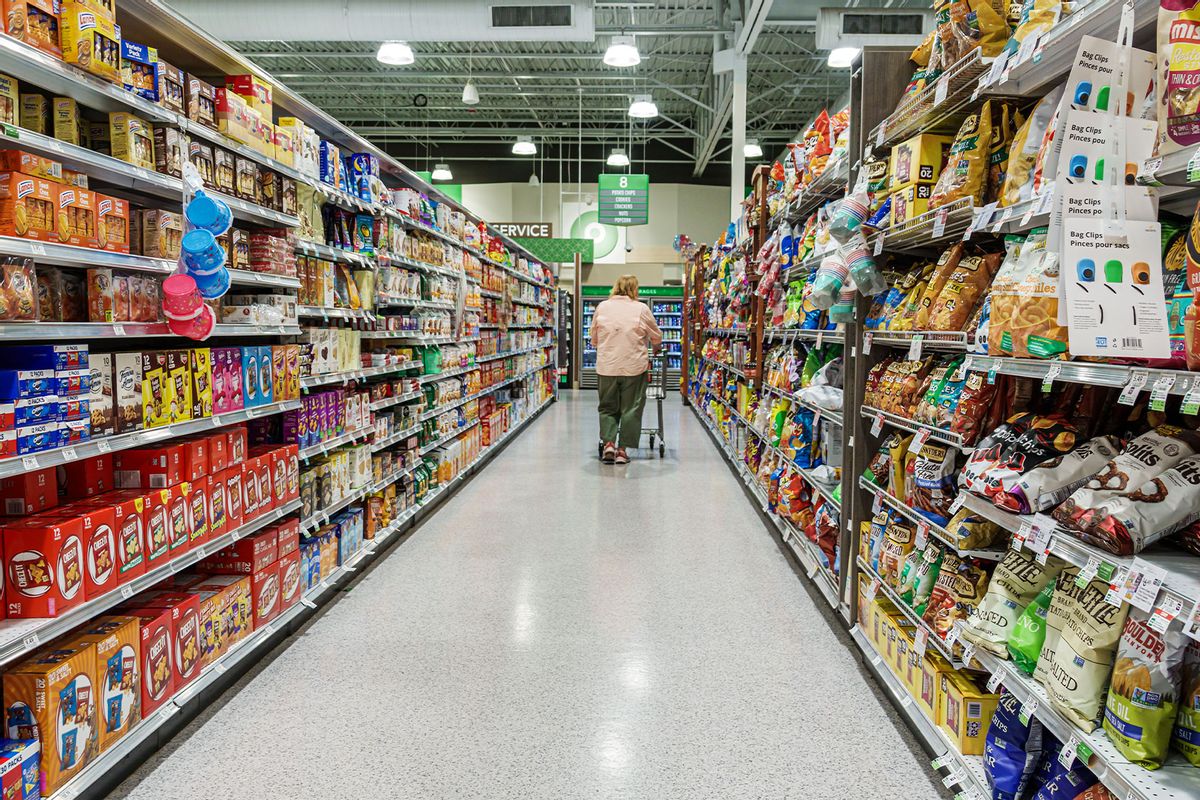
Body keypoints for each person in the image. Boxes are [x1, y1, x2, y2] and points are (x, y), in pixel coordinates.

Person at [590, 274, 663, 464]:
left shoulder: (602, 307)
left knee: (607, 407)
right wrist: (656, 347)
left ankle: (608, 445)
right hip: (634, 368)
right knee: (631, 408)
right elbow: (656, 335)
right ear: (634, 289)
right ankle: (622, 451)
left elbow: (594, 338)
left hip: (607, 367)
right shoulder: (641, 308)